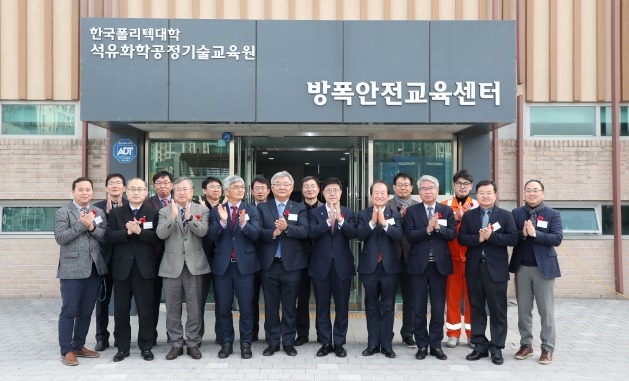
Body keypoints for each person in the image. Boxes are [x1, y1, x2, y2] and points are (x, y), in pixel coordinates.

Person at [458, 180, 518, 366]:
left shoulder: (505, 216)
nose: (485, 196)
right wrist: (478, 238)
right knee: (476, 307)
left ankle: (497, 347)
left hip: (496, 270)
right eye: (481, 192)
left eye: (489, 192)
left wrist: (491, 237)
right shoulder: (469, 216)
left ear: (495, 195)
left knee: (498, 309)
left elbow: (513, 238)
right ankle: (479, 345)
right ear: (476, 195)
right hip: (475, 268)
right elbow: (462, 238)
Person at [54, 177, 108, 366]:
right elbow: (61, 238)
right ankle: (66, 350)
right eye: (81, 190)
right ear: (73, 192)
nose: (85, 193)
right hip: (72, 269)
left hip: (94, 268)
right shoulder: (63, 212)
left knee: (86, 312)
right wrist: (81, 225)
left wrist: (92, 226)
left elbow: (103, 235)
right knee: (70, 310)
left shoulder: (98, 211)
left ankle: (79, 345)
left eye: (88, 189)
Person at [156, 177, 210, 360]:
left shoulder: (202, 210)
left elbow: (203, 232)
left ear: (192, 192)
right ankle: (176, 344)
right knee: (172, 309)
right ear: (173, 191)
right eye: (178, 189)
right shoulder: (164, 211)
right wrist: (172, 218)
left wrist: (189, 218)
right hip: (171, 266)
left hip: (195, 266)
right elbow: (161, 234)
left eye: (185, 189)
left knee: (195, 309)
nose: (181, 192)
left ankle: (193, 343)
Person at [106, 178, 160, 362]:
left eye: (140, 189)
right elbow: (109, 235)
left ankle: (146, 346)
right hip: (122, 268)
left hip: (145, 268)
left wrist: (140, 232)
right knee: (121, 310)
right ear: (125, 192)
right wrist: (127, 233)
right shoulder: (115, 213)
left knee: (146, 310)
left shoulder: (153, 213)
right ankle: (122, 347)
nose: (136, 192)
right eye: (132, 189)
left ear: (146, 192)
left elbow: (157, 239)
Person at [510, 179, 563, 365]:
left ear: (542, 193)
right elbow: (510, 238)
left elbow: (557, 238)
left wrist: (535, 234)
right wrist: (522, 234)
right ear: (524, 193)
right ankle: (526, 345)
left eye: (535, 190)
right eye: (528, 190)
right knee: (524, 310)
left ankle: (547, 348)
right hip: (522, 268)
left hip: (544, 270)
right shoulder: (516, 213)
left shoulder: (552, 214)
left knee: (546, 311)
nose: (532, 193)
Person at [404, 175, 456, 361]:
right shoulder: (412, 211)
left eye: (431, 188)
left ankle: (435, 345)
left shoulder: (446, 210)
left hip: (439, 267)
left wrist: (436, 229)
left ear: (437, 189)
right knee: (418, 307)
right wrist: (427, 229)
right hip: (418, 265)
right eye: (424, 188)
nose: (427, 191)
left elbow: (451, 234)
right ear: (419, 192)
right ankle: (422, 345)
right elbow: (409, 234)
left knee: (437, 307)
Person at [208, 175, 260, 359]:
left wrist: (244, 223)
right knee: (223, 308)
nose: (241, 190)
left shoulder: (251, 210)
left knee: (246, 308)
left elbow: (256, 235)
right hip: (223, 267)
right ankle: (227, 342)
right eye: (236, 187)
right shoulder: (216, 211)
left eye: (242, 187)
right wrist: (222, 222)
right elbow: (212, 236)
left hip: (245, 267)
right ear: (226, 191)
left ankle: (246, 343)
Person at [257, 171, 309, 356]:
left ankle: (288, 342)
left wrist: (287, 228)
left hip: (292, 265)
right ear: (272, 188)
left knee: (289, 306)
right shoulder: (263, 207)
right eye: (278, 184)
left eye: (286, 184)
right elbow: (257, 232)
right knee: (271, 306)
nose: (282, 187)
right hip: (269, 264)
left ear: (292, 187)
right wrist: (272, 233)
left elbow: (305, 231)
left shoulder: (299, 207)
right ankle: (272, 342)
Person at [308, 177, 357, 358]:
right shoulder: (315, 213)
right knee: (322, 307)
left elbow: (353, 234)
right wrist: (328, 221)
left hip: (342, 267)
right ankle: (325, 342)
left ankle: (339, 343)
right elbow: (311, 233)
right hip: (320, 267)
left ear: (341, 193)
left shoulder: (349, 212)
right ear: (323, 193)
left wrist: (340, 220)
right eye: (328, 190)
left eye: (335, 190)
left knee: (342, 307)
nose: (332, 193)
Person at [356, 181, 403, 358]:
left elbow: (399, 236)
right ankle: (372, 344)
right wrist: (372, 223)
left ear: (389, 195)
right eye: (376, 193)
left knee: (388, 307)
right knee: (371, 306)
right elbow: (359, 235)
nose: (379, 195)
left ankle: (387, 345)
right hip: (370, 267)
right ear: (371, 196)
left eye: (383, 193)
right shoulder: (363, 214)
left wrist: (384, 224)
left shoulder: (395, 214)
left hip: (390, 267)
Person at [441, 170, 478, 348]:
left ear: (471, 187)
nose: (462, 187)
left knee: (472, 298)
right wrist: (456, 220)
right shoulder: (445, 205)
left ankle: (472, 334)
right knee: (453, 297)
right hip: (452, 259)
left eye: (466, 184)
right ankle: (453, 333)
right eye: (459, 183)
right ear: (454, 185)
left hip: (472, 259)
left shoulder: (478, 205)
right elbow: (442, 232)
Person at [93, 173, 128, 352]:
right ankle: (101, 337)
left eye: (119, 183)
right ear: (106, 187)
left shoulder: (131, 206)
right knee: (102, 302)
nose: (115, 186)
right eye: (111, 183)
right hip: (104, 261)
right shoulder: (97, 208)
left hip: (125, 261)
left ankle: (121, 337)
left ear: (124, 188)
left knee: (123, 302)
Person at [386, 173, 418, 349]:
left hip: (411, 258)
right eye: (399, 185)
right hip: (391, 258)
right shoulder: (386, 205)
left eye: (406, 185)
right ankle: (387, 334)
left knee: (410, 298)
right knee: (388, 298)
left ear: (412, 188)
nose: (403, 188)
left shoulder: (418, 206)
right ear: (394, 187)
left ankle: (408, 334)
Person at [144, 170, 174, 344]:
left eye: (166, 182)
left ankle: (173, 336)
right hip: (153, 258)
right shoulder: (147, 204)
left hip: (174, 258)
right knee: (152, 300)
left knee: (173, 301)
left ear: (172, 184)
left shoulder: (179, 201)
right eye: (159, 183)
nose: (163, 186)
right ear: (154, 186)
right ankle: (151, 336)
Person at [295, 176, 323, 346]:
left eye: (313, 186)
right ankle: (302, 333)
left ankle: (322, 333)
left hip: (321, 260)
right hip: (300, 260)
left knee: (322, 298)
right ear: (302, 189)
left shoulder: (325, 209)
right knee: (302, 298)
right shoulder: (295, 208)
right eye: (306, 186)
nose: (310, 189)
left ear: (319, 189)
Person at [199, 176, 223, 345]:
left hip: (222, 259)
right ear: (204, 190)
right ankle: (196, 337)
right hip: (202, 258)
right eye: (212, 187)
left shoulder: (227, 207)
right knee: (198, 300)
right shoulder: (197, 208)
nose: (216, 190)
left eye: (218, 187)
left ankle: (221, 335)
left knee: (222, 299)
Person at [251, 176, 271, 342]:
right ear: (251, 191)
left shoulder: (274, 209)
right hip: (249, 262)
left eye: (263, 188)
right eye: (256, 188)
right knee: (251, 299)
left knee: (271, 301)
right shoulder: (246, 209)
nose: (260, 191)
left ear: (268, 191)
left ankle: (270, 334)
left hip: (269, 262)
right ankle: (252, 333)